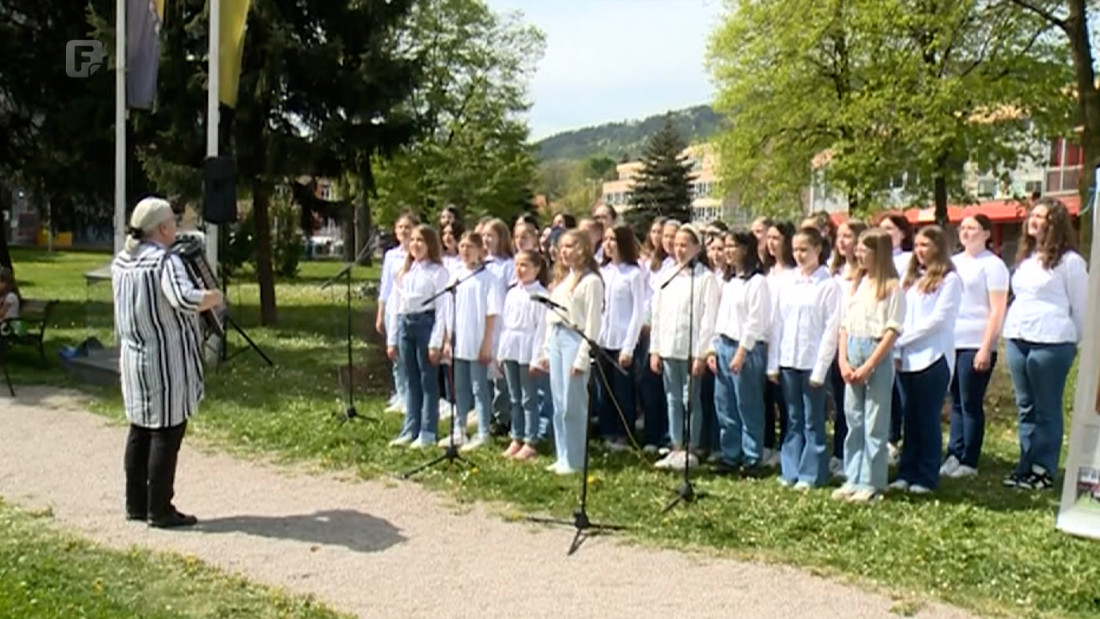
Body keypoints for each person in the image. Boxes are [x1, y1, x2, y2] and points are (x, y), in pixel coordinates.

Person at [112, 197, 223, 528]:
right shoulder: (164, 261)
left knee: (140, 429)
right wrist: (214, 296)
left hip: (134, 356)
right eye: (173, 222)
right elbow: (184, 298)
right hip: (166, 359)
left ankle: (136, 503)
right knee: (167, 430)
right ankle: (160, 509)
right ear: (161, 227)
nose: (176, 227)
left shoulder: (122, 261)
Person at [1002, 198, 1088, 490]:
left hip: (1052, 341)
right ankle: (1025, 464)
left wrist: (1073, 341)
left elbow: (1082, 307)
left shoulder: (1070, 262)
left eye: (1041, 217)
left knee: (1047, 407)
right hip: (1018, 336)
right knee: (1026, 406)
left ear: (1055, 224)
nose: (1033, 221)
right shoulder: (1026, 259)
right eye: (1032, 216)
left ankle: (1044, 468)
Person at [833, 228, 905, 503]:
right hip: (853, 347)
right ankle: (853, 475)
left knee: (875, 420)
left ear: (879, 252)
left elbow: (892, 330)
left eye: (865, 249)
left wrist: (870, 365)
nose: (859, 253)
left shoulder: (892, 288)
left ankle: (872, 481)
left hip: (876, 351)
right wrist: (843, 359)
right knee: (854, 418)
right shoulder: (857, 282)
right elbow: (844, 325)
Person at [768, 227, 842, 489]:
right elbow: (777, 323)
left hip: (812, 362)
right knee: (792, 418)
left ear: (817, 250)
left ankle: (812, 473)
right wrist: (773, 363)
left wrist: (820, 369)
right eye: (796, 250)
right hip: (789, 359)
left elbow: (830, 330)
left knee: (813, 420)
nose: (799, 255)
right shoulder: (788, 282)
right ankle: (791, 470)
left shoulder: (828, 285)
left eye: (804, 250)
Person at [891, 226, 961, 495]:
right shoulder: (909, 279)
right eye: (917, 245)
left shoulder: (950, 279)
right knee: (911, 418)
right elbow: (900, 315)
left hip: (933, 357)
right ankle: (906, 471)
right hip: (906, 360)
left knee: (928, 418)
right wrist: (897, 349)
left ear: (938, 247)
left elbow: (939, 320)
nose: (920, 251)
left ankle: (926, 475)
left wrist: (903, 339)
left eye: (926, 245)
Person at [942, 215, 1009, 479]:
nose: (966, 232)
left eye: (973, 228)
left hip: (975, 341)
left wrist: (986, 346)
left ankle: (969, 459)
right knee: (955, 400)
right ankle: (954, 454)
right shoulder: (954, 263)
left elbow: (997, 309)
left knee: (970, 401)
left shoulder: (993, 266)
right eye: (963, 228)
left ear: (986, 234)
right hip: (952, 341)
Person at [650, 224, 720, 471]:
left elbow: (707, 318)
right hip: (669, 347)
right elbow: (657, 314)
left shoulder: (705, 278)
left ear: (696, 248)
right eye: (676, 244)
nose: (679, 250)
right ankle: (676, 445)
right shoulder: (666, 275)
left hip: (691, 350)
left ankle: (691, 446)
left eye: (684, 245)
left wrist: (701, 353)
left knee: (691, 399)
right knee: (672, 398)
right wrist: (655, 349)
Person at [537, 229, 604, 475]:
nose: (564, 252)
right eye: (562, 247)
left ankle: (575, 458)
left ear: (583, 248)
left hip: (575, 339)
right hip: (557, 337)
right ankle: (562, 453)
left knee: (572, 403)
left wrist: (583, 357)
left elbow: (592, 323)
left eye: (570, 246)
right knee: (558, 402)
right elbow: (551, 316)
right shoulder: (564, 279)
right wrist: (546, 349)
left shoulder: (592, 281)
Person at [708, 229, 770, 475]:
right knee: (725, 404)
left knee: (748, 405)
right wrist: (713, 347)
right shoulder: (730, 281)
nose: (727, 252)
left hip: (745, 349)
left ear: (745, 249)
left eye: (732, 246)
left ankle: (752, 456)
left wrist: (742, 351)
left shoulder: (757, 282)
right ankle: (730, 453)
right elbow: (720, 316)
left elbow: (755, 321)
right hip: (723, 345)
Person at [387, 225, 451, 448]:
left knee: (427, 380)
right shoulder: (406, 271)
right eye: (412, 240)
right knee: (410, 380)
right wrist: (392, 338)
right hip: (406, 324)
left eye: (420, 241)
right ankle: (410, 428)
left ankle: (428, 430)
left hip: (425, 324)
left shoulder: (437, 272)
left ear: (430, 244)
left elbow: (443, 309)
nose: (415, 244)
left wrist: (436, 341)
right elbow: (397, 305)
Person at [441, 231, 503, 451]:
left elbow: (492, 312)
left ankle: (483, 430)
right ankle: (459, 427)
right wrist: (447, 340)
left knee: (479, 387)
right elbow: (448, 310)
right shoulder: (456, 275)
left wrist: (486, 343)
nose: (465, 251)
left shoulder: (489, 278)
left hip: (477, 341)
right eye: (462, 246)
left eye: (470, 246)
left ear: (480, 250)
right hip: (459, 341)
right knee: (461, 387)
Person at [595, 224, 646, 450]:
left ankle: (624, 434)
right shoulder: (602, 272)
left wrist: (628, 346)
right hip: (603, 340)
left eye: (612, 240)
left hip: (622, 340)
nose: (607, 244)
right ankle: (608, 431)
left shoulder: (633, 274)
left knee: (623, 390)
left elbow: (638, 312)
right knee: (605, 389)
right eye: (605, 240)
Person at [499, 250, 552, 461]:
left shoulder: (541, 295)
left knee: (529, 397)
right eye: (517, 265)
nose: (519, 270)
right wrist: (502, 352)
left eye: (524, 265)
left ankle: (531, 439)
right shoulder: (512, 292)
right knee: (514, 396)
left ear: (537, 269)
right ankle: (516, 436)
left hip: (528, 347)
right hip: (512, 346)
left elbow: (541, 329)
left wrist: (537, 357)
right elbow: (505, 324)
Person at [826, 220, 867, 477]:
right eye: (839, 236)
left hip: (855, 340)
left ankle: (854, 454)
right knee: (839, 403)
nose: (842, 241)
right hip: (833, 342)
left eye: (848, 236)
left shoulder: (865, 274)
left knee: (854, 403)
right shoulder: (834, 271)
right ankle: (839, 451)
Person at [376, 212, 418, 415]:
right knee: (394, 355)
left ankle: (410, 396)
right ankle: (400, 394)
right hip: (392, 308)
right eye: (400, 227)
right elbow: (386, 286)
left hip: (409, 308)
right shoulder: (391, 255)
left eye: (407, 227)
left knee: (407, 354)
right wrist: (380, 312)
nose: (404, 231)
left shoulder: (417, 254)